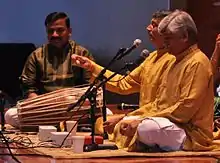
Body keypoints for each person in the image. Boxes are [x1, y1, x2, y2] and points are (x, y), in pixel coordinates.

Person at [72, 10, 216, 152]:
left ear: (184, 36)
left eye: (169, 38)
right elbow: (129, 86)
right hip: (162, 121)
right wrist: (92, 67)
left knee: (147, 128)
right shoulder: (168, 60)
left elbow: (185, 109)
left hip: (189, 131)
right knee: (121, 123)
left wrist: (139, 119)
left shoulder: (196, 62)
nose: (166, 43)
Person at [71, 10, 175, 137]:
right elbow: (123, 83)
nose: (148, 28)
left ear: (166, 31)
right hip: (142, 117)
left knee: (124, 126)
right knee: (101, 122)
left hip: (157, 120)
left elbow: (163, 105)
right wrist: (92, 67)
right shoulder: (152, 58)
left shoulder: (173, 60)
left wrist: (125, 117)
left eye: (154, 25)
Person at [5, 12, 94, 128]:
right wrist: (43, 106)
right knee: (10, 115)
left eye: (60, 30)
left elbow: (90, 86)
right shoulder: (37, 55)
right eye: (50, 31)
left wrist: (71, 103)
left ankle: (52, 125)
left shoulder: (82, 53)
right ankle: (63, 124)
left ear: (69, 31)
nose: (55, 34)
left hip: (74, 107)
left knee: (107, 113)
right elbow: (28, 88)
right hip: (44, 109)